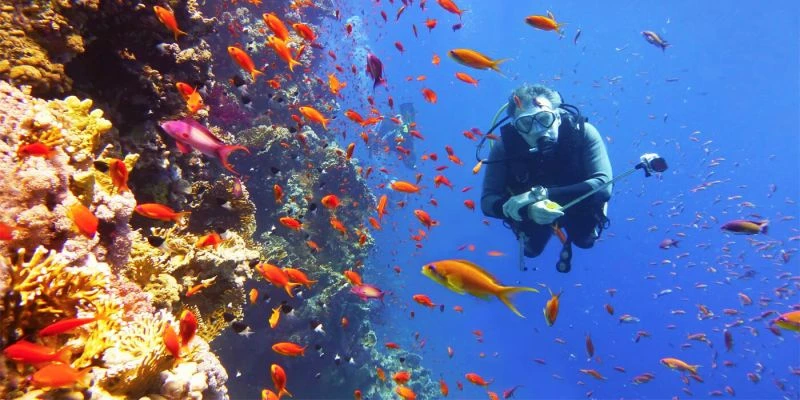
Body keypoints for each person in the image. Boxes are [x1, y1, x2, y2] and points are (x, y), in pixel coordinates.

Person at [480, 84, 612, 272]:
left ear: (557, 117)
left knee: (585, 240)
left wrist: (539, 196)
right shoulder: (504, 148)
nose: (537, 131)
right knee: (532, 250)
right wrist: (528, 211)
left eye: (544, 118)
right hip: (532, 215)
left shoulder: (584, 132)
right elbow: (487, 201)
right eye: (526, 123)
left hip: (580, 205)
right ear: (516, 128)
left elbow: (604, 185)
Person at [376, 102, 417, 169]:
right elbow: (405, 131)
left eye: (406, 160)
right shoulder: (409, 143)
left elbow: (389, 144)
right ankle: (407, 108)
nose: (406, 157)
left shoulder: (398, 150)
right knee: (409, 127)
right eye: (409, 157)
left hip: (388, 128)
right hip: (393, 126)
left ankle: (406, 109)